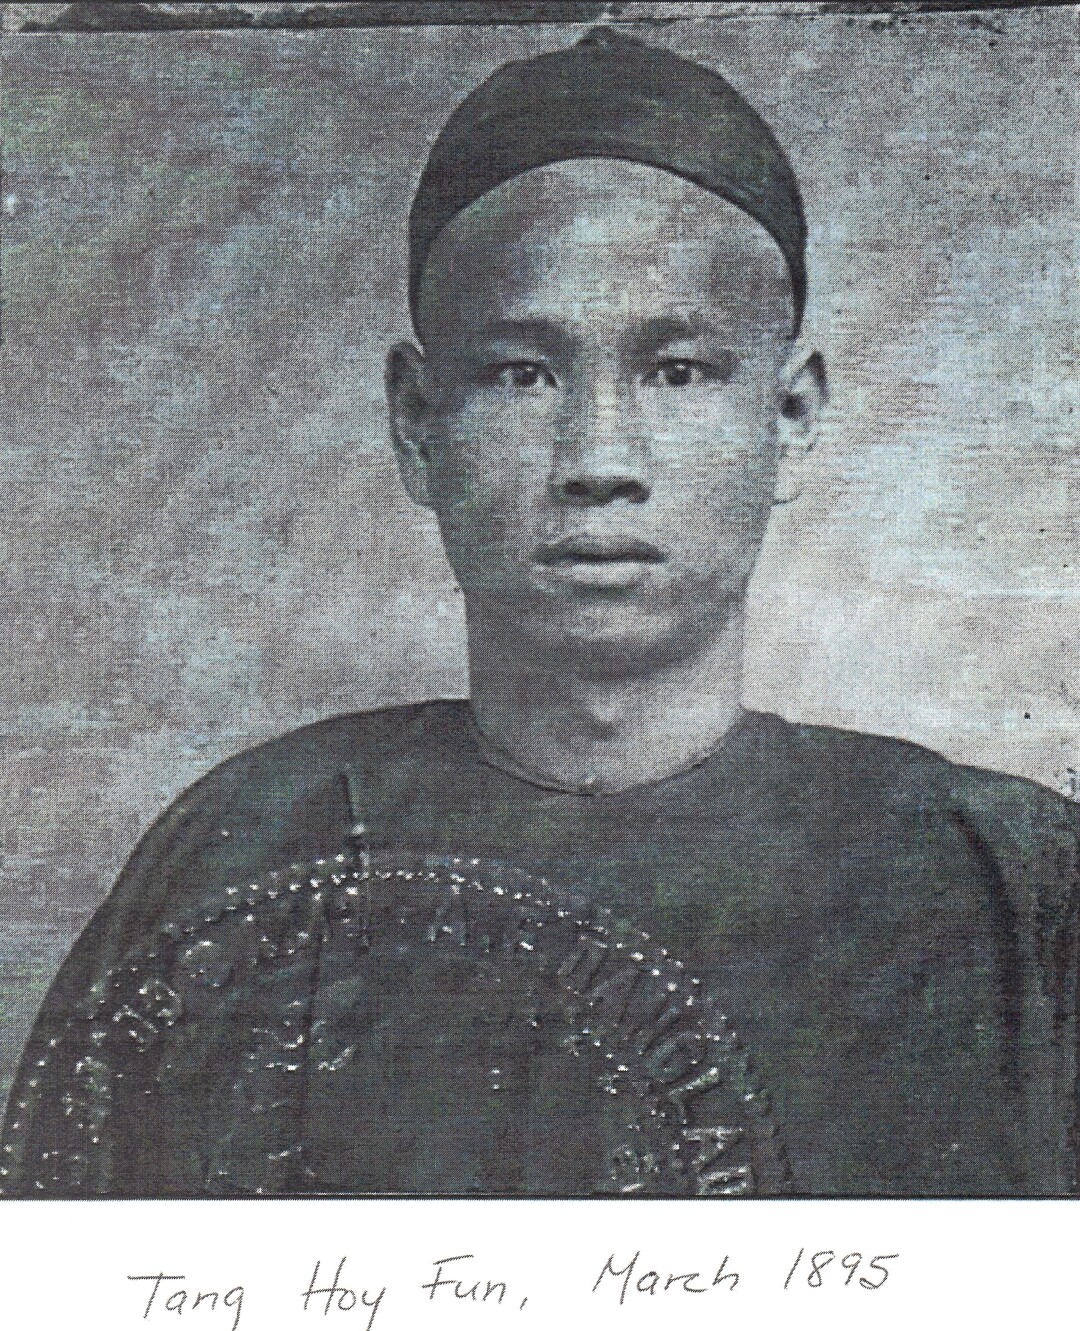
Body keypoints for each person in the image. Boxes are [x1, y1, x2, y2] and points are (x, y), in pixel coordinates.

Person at [2, 28, 1077, 1199]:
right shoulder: (241, 857)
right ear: (419, 422)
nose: (599, 460)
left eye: (679, 370)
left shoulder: (1010, 885)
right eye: (524, 373)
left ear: (792, 416)